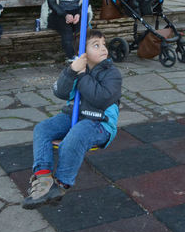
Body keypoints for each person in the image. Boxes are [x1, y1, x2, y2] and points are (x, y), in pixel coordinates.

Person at [22, 29, 121, 209]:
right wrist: (71, 71)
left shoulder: (112, 73)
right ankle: (43, 179)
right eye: (96, 45)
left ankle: (61, 185)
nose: (103, 48)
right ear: (82, 53)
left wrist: (83, 76)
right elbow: (60, 92)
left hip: (100, 123)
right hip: (73, 116)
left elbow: (101, 98)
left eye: (103, 44)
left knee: (76, 134)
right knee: (43, 129)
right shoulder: (76, 68)